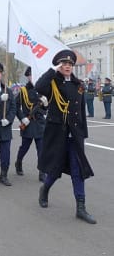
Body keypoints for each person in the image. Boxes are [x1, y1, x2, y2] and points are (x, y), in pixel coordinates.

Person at [35, 49, 96, 224]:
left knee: (78, 170)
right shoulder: (53, 82)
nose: (67, 66)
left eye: (70, 64)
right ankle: (45, 189)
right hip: (58, 134)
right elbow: (39, 87)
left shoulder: (78, 84)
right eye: (64, 64)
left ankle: (81, 208)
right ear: (59, 66)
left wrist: (83, 133)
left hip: (74, 135)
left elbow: (81, 111)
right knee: (55, 169)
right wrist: (53, 71)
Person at [14, 67, 48, 182]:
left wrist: (46, 104)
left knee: (41, 149)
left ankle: (42, 171)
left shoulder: (43, 90)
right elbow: (16, 105)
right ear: (28, 77)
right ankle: (18, 162)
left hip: (39, 123)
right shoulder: (23, 90)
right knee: (25, 147)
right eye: (31, 75)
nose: (33, 78)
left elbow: (46, 109)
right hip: (27, 123)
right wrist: (22, 118)